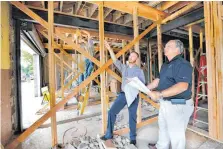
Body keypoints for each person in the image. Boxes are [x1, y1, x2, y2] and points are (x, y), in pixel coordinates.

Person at [147, 40, 194, 149]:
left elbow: (183, 86)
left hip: (179, 103)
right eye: (166, 46)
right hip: (166, 102)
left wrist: (159, 94)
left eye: (169, 46)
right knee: (163, 126)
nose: (165, 48)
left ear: (177, 50)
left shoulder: (183, 64)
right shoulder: (165, 65)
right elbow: (158, 80)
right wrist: (144, 88)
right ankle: (161, 146)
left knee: (176, 134)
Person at [100, 40, 145, 145]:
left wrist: (133, 82)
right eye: (130, 55)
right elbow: (115, 60)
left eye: (133, 56)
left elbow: (142, 85)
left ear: (136, 59)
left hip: (133, 96)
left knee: (132, 116)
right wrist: (110, 49)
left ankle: (133, 138)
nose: (131, 57)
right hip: (123, 94)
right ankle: (108, 134)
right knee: (112, 112)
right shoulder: (124, 68)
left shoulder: (139, 71)